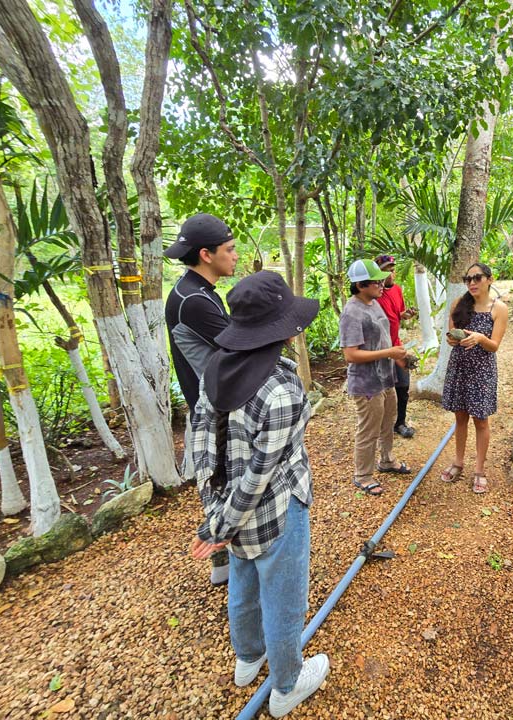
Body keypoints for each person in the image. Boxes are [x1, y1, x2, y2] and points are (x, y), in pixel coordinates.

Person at [189, 271, 330, 717]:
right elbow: (260, 475)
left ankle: (248, 658)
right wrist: (220, 526)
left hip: (229, 511)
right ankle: (287, 685)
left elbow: (201, 448)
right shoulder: (282, 390)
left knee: (243, 585)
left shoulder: (214, 369)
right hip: (276, 512)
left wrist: (216, 520)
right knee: (284, 600)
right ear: (282, 331)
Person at [164, 212, 238, 586]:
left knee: (222, 480)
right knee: (223, 483)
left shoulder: (196, 291)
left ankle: (226, 560)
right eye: (230, 249)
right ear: (207, 255)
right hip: (212, 410)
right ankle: (228, 559)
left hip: (213, 403)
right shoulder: (193, 300)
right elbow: (238, 346)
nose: (235, 256)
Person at [339, 259, 413, 497]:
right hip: (366, 383)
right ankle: (363, 475)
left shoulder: (374, 303)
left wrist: (398, 357)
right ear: (361, 285)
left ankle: (387, 460)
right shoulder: (352, 312)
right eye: (376, 282)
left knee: (388, 421)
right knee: (368, 429)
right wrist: (389, 353)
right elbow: (350, 355)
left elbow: (383, 338)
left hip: (385, 378)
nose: (382, 284)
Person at [439, 262, 509, 494]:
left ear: (489, 279)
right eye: (468, 279)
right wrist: (453, 339)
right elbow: (450, 337)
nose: (472, 283)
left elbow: (494, 346)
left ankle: (479, 470)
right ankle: (458, 462)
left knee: (481, 420)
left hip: (482, 371)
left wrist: (480, 338)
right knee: (460, 417)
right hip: (459, 367)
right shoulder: (459, 304)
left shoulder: (499, 309)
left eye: (477, 278)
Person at [373, 254, 419, 439]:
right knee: (381, 391)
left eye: (392, 270)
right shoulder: (374, 295)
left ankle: (400, 423)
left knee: (403, 386)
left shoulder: (397, 290)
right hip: (380, 350)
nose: (391, 274)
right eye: (386, 271)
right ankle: (381, 425)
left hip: (396, 346)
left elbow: (397, 314)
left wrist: (406, 315)